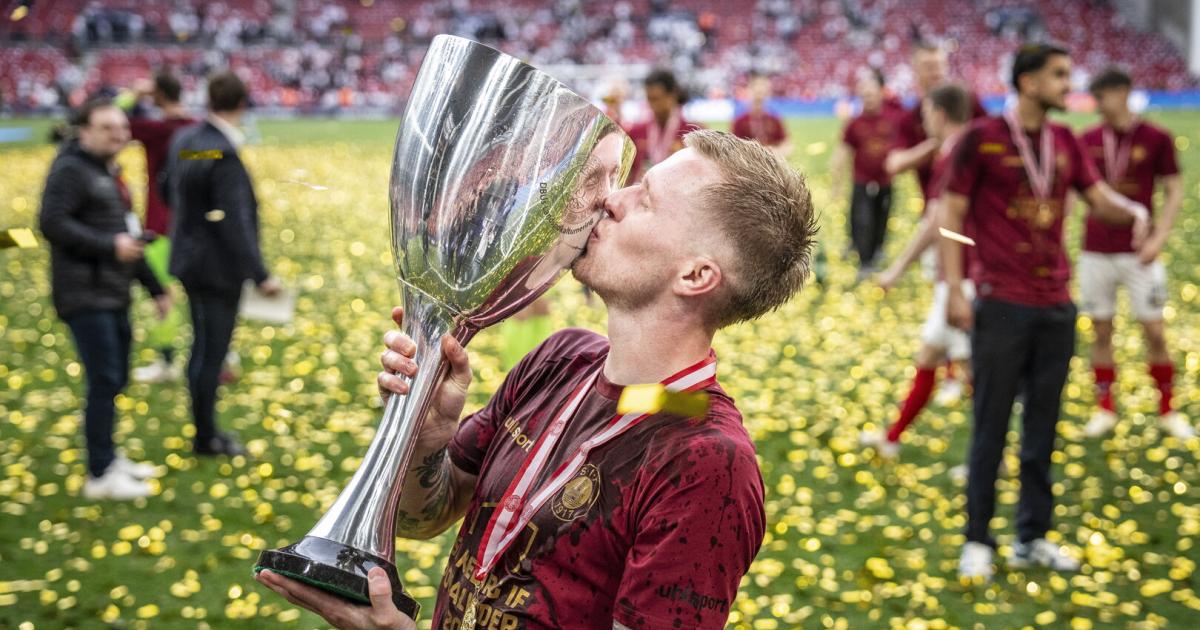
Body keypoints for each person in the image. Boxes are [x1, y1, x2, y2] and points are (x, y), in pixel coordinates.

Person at [257, 129, 818, 629]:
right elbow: (422, 518)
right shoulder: (560, 358)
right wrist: (422, 441)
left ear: (695, 275)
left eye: (644, 199)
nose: (611, 199)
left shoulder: (708, 465)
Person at [940, 44, 1151, 581]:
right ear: (1028, 82)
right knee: (990, 426)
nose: (1068, 84)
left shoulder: (1064, 140)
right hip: (1001, 302)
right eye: (1059, 75)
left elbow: (1097, 197)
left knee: (1043, 428)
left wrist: (1133, 210)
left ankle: (1032, 537)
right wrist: (958, 287)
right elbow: (950, 216)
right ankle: (977, 539)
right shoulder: (981, 138)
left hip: (1056, 303)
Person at [38, 98, 168, 500]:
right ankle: (99, 473)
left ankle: (109, 458)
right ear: (84, 132)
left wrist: (154, 287)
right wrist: (108, 246)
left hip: (113, 291)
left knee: (115, 378)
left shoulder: (107, 171)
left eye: (122, 128)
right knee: (104, 379)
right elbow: (51, 223)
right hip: (85, 293)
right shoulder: (71, 169)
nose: (119, 135)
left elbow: (126, 233)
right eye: (107, 128)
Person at [164, 71, 282, 457]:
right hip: (216, 268)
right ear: (242, 103)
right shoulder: (223, 152)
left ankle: (203, 430)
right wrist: (261, 275)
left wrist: (195, 221)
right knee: (211, 353)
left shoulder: (188, 141)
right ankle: (206, 437)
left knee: (201, 349)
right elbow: (235, 221)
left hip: (189, 258)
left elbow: (169, 187)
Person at [1076, 68, 1192, 439]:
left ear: (1123, 92)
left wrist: (1159, 237)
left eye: (1102, 96)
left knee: (1155, 332)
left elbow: (1174, 189)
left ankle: (1167, 409)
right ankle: (1105, 409)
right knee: (1101, 331)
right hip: (1095, 250)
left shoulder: (1156, 137)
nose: (1098, 104)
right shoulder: (1087, 139)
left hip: (1141, 252)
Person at [862, 84, 975, 459]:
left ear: (939, 114)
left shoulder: (955, 154)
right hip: (959, 275)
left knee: (973, 372)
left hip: (963, 279)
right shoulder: (961, 150)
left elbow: (935, 223)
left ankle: (992, 461)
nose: (924, 122)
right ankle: (892, 439)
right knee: (930, 357)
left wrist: (896, 269)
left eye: (926, 114)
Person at [119, 71, 197, 384]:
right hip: (193, 224)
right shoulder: (196, 129)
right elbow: (215, 155)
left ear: (158, 96)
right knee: (199, 293)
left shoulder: (154, 130)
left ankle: (166, 361)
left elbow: (108, 119)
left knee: (163, 296)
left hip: (161, 224)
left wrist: (134, 95)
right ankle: (219, 356)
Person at [833, 68, 898, 279]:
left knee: (881, 220)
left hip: (885, 182)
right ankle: (865, 262)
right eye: (865, 95)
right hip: (861, 182)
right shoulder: (855, 123)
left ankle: (877, 250)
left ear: (881, 94)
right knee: (862, 220)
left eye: (872, 94)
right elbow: (843, 151)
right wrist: (836, 182)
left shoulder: (892, 120)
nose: (869, 99)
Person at [625, 69, 699, 182]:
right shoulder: (636, 132)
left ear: (673, 95)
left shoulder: (693, 132)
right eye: (649, 99)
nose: (653, 105)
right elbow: (627, 176)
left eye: (657, 99)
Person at [731, 75, 790, 158]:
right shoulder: (740, 120)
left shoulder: (774, 119)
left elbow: (786, 144)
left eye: (763, 93)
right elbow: (732, 147)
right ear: (749, 93)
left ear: (768, 94)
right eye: (757, 93)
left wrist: (776, 153)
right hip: (748, 160)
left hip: (771, 160)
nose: (760, 97)